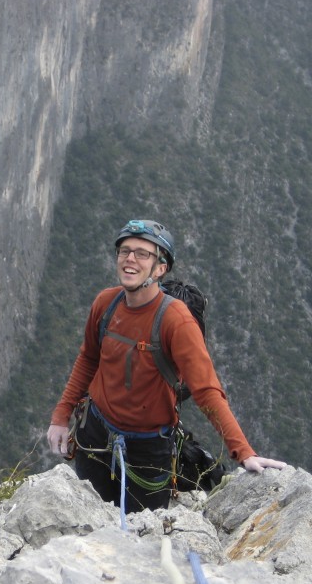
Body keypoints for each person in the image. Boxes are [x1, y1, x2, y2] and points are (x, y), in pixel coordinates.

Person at [47, 219, 286, 511]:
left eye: (142, 253)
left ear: (160, 269)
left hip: (148, 451)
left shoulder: (176, 321)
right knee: (89, 521)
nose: (130, 258)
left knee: (138, 537)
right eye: (124, 251)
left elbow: (207, 391)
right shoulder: (105, 304)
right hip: (94, 437)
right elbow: (88, 359)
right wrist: (60, 418)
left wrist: (243, 452)